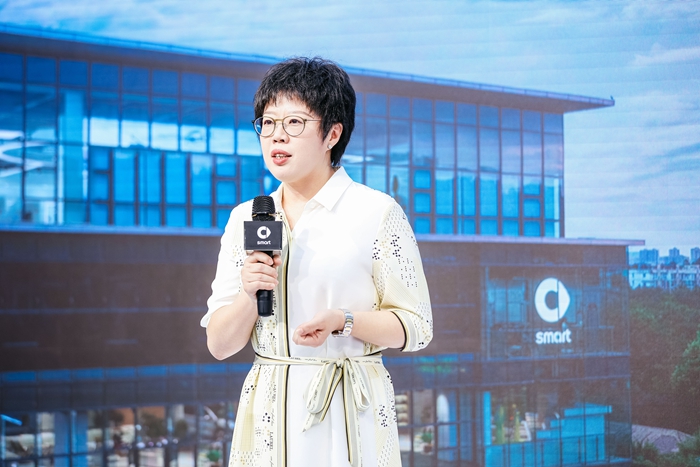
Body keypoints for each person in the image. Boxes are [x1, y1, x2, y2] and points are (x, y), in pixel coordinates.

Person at [200, 57, 432, 467]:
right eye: (267, 123)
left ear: (332, 134)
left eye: (294, 123)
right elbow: (219, 345)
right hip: (270, 415)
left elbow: (417, 326)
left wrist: (345, 321)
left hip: (349, 409)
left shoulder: (377, 212)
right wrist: (249, 295)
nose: (277, 136)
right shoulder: (246, 218)